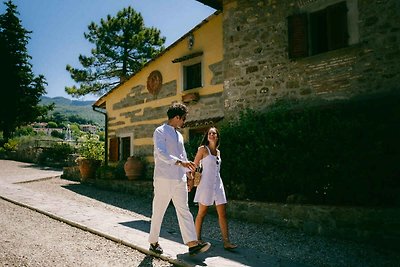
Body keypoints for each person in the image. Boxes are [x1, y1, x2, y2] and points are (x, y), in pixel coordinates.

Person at [148, 103, 211, 256]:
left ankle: (192, 244)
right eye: (183, 119)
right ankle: (153, 241)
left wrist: (188, 172)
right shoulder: (160, 131)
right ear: (176, 117)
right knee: (159, 211)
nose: (184, 122)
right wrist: (180, 162)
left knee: (184, 210)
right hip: (164, 178)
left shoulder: (179, 135)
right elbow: (161, 153)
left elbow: (183, 156)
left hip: (179, 178)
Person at [189, 126, 237, 250]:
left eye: (214, 133)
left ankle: (226, 242)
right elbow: (194, 166)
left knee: (223, 213)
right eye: (210, 133)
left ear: (217, 136)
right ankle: (197, 239)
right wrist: (190, 181)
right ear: (207, 136)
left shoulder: (218, 152)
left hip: (218, 184)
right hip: (206, 185)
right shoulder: (202, 149)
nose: (212, 135)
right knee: (202, 213)